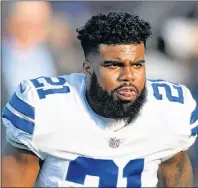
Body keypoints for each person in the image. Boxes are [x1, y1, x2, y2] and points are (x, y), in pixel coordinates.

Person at [2, 12, 198, 187]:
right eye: (114, 65)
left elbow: (176, 171)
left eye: (137, 65)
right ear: (88, 69)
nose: (128, 76)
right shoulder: (43, 109)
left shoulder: (171, 111)